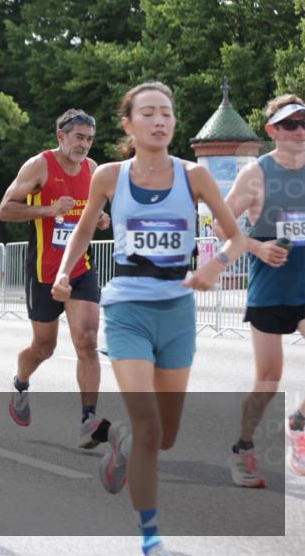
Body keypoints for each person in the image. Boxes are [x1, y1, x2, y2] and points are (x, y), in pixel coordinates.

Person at [52, 81, 246, 556]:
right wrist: (62, 273)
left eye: (167, 113)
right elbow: (79, 233)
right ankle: (150, 535)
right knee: (149, 425)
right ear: (128, 124)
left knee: (167, 433)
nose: (160, 121)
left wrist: (212, 267)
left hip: (177, 310)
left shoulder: (194, 176)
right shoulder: (110, 177)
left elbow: (235, 238)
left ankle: (122, 447)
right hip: (127, 310)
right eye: (149, 113)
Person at [0, 109, 113, 446]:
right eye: (79, 137)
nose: (85, 145)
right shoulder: (39, 166)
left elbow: (88, 216)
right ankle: (21, 382)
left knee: (87, 340)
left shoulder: (93, 171)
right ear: (61, 136)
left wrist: (100, 220)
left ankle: (88, 421)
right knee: (44, 347)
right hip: (44, 273)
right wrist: (48, 210)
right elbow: (5, 209)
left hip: (80, 268)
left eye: (90, 139)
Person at [218, 94, 305, 485]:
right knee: (269, 378)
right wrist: (256, 246)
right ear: (272, 130)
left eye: (304, 123)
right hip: (270, 287)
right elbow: (221, 224)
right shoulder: (256, 173)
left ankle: (299, 424)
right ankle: (244, 447)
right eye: (290, 124)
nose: (299, 131)